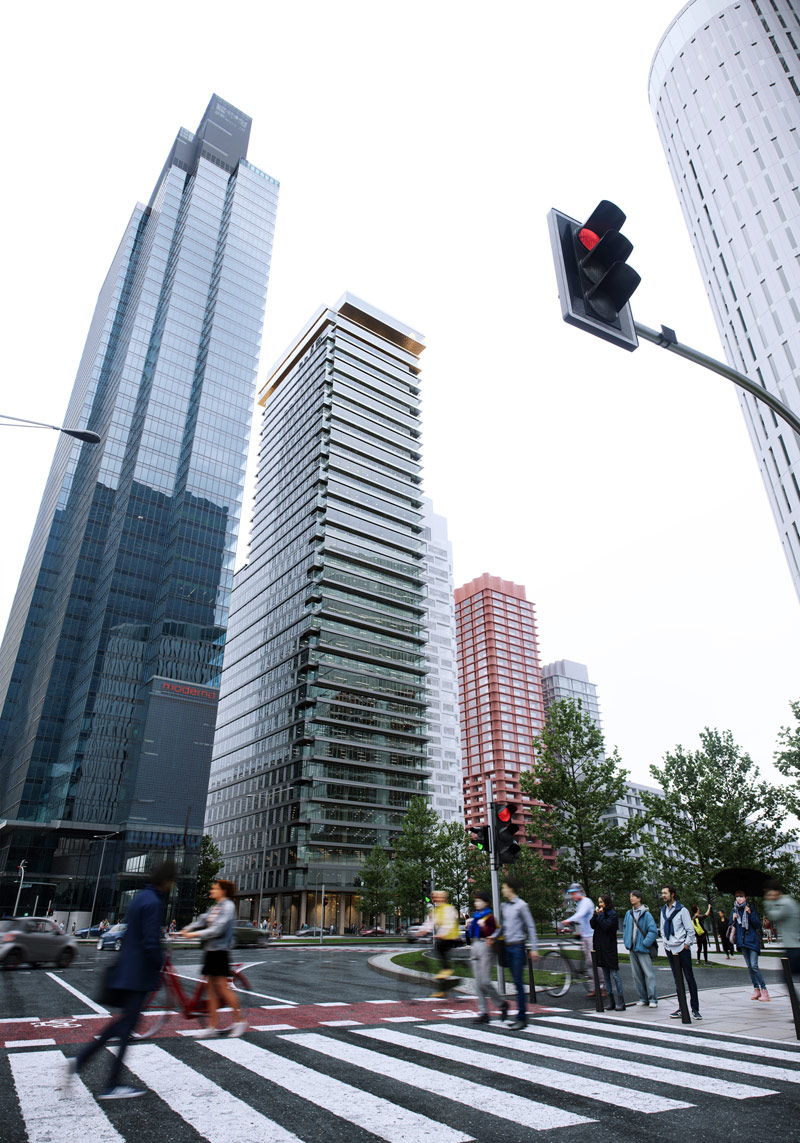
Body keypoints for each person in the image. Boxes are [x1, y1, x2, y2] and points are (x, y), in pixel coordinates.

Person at [64, 860, 176, 1099]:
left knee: (123, 1026)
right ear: (166, 882)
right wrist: (159, 963)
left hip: (126, 970)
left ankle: (84, 1064)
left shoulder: (140, 898)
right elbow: (150, 941)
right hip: (139, 975)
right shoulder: (154, 902)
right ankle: (108, 1081)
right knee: (125, 1027)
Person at [180, 878, 247, 1037]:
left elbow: (217, 929)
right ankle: (212, 1026)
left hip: (220, 952)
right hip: (210, 952)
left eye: (215, 888)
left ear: (223, 891)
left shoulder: (228, 907)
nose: (212, 890)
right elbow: (202, 920)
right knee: (210, 990)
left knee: (223, 988)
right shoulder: (215, 907)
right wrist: (185, 930)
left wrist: (194, 934)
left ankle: (240, 1021)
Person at [489, 877, 538, 1030]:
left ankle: (522, 1018)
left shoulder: (522, 906)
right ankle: (519, 1016)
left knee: (518, 983)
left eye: (504, 887)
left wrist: (534, 948)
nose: (502, 890)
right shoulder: (505, 906)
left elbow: (530, 926)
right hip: (507, 947)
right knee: (516, 981)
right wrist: (494, 936)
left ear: (510, 889)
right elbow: (503, 926)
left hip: (517, 947)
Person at [466, 890, 508, 1025]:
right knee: (478, 983)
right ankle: (484, 1012)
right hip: (475, 945)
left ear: (485, 903)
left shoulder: (489, 917)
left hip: (485, 947)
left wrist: (484, 928)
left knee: (485, 982)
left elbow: (494, 931)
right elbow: (470, 934)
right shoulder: (476, 916)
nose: (476, 903)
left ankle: (501, 1004)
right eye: (475, 901)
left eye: (478, 901)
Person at [660, 884, 701, 1020]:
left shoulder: (682, 910)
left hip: (681, 948)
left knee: (689, 978)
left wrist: (687, 944)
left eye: (665, 893)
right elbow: (662, 928)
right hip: (670, 948)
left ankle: (695, 1009)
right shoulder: (663, 910)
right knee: (678, 980)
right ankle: (681, 1007)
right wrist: (666, 944)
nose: (663, 895)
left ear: (672, 894)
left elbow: (690, 930)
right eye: (662, 893)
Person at [729, 890, 769, 1001]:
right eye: (737, 896)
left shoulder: (750, 908)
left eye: (741, 896)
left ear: (746, 897)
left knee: (754, 966)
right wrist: (733, 919)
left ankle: (764, 990)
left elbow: (757, 925)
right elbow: (731, 926)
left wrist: (750, 913)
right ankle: (756, 989)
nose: (739, 899)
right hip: (742, 942)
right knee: (750, 968)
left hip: (752, 941)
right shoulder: (734, 910)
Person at [420, 890, 461, 995]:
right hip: (443, 937)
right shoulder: (435, 910)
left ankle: (447, 969)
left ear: (444, 898)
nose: (436, 899)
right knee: (439, 951)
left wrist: (442, 934)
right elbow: (430, 922)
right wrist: (422, 930)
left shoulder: (449, 909)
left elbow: (449, 923)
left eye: (439, 897)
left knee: (440, 947)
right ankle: (443, 989)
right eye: (435, 897)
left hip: (452, 937)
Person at [623, 889, 659, 1008]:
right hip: (632, 948)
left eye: (633, 896)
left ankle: (653, 998)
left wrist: (645, 943)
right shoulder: (629, 914)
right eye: (630, 896)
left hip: (642, 948)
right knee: (636, 975)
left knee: (649, 974)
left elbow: (653, 931)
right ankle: (642, 998)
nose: (631, 898)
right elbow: (625, 928)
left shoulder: (646, 914)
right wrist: (627, 941)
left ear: (639, 899)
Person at [590, 894, 626, 1010]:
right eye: (599, 902)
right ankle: (611, 1001)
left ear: (607, 902)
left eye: (602, 902)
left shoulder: (612, 914)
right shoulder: (600, 914)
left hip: (609, 948)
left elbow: (606, 926)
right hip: (600, 948)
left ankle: (621, 1000)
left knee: (615, 975)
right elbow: (593, 925)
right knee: (606, 976)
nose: (600, 904)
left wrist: (600, 915)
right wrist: (595, 915)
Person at [561, 883, 597, 991]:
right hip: (585, 935)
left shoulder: (586, 902)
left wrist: (568, 920)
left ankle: (601, 986)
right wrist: (580, 931)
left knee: (592, 961)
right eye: (571, 894)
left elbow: (581, 914)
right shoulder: (580, 903)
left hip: (591, 935)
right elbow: (582, 919)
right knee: (588, 962)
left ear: (579, 892)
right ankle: (594, 987)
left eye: (574, 893)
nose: (573, 896)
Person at [764, 880, 800, 985]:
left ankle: (796, 1002)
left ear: (776, 891)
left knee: (786, 977)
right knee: (786, 977)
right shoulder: (787, 901)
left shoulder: (785, 903)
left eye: (770, 893)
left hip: (794, 949)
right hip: (793, 947)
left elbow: (773, 915)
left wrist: (768, 902)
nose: (769, 896)